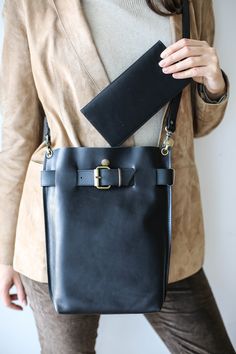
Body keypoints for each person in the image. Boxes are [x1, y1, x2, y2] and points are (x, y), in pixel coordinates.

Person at [0, 0, 234, 353]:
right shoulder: (32, 5)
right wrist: (4, 256)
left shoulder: (191, 2)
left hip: (163, 226)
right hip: (57, 228)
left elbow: (198, 125)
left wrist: (213, 83)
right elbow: (15, 134)